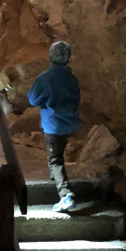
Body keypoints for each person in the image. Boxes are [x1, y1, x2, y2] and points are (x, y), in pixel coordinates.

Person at [28, 41, 81, 212]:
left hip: (54, 125)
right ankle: (55, 176)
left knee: (55, 160)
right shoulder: (72, 78)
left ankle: (65, 194)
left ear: (51, 56)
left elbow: (33, 99)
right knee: (59, 152)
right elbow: (77, 100)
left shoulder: (45, 78)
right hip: (70, 123)